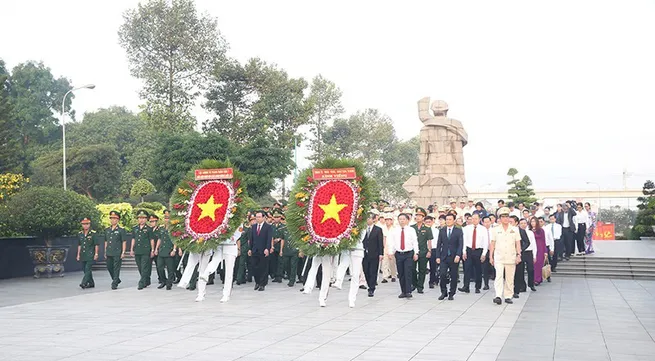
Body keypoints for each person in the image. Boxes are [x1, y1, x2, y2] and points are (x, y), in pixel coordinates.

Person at [198, 228, 241, 302]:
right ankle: (206, 273)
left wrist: (229, 238)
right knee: (214, 261)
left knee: (229, 272)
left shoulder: (238, 218)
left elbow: (238, 233)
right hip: (219, 244)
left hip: (230, 245)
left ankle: (226, 294)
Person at [489, 207, 522, 305]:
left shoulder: (515, 229)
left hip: (511, 256)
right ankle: (498, 295)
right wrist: (491, 256)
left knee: (509, 277)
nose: (505, 219)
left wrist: (518, 255)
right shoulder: (495, 230)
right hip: (499, 256)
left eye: (507, 217)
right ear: (499, 218)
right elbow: (492, 243)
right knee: (498, 276)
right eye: (503, 217)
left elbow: (518, 243)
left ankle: (508, 296)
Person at [388, 213, 419, 298]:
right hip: (399, 254)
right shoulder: (394, 230)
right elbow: (392, 242)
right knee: (401, 273)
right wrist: (390, 252)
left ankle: (408, 291)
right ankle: (403, 291)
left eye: (403, 219)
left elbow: (415, 242)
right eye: (400, 219)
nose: (402, 221)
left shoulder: (411, 230)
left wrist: (416, 253)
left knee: (408, 272)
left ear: (407, 220)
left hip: (408, 253)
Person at [435, 213, 463, 300]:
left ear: (454, 220)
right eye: (447, 219)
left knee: (453, 276)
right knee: (442, 274)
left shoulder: (458, 231)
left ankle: (452, 293)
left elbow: (460, 244)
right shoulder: (442, 230)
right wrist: (437, 256)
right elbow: (439, 244)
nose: (448, 221)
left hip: (454, 257)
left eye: (450, 219)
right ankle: (444, 292)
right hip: (444, 256)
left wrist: (458, 255)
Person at [459, 213, 489, 293]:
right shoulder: (466, 228)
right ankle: (466, 286)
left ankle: (477, 287)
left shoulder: (483, 229)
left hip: (478, 250)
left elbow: (486, 242)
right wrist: (464, 251)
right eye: (473, 218)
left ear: (479, 219)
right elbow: (464, 240)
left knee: (478, 269)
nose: (474, 220)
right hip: (469, 250)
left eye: (476, 218)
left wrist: (484, 254)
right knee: (467, 268)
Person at [103, 210, 128, 290]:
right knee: (109, 267)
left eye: (114, 218)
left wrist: (123, 252)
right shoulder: (107, 230)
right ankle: (117, 279)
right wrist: (105, 251)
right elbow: (106, 241)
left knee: (116, 268)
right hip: (109, 251)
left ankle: (114, 283)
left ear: (118, 220)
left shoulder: (121, 230)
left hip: (117, 251)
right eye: (111, 218)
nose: (112, 220)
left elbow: (124, 241)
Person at [248, 210, 273, 291]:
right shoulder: (254, 226)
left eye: (259, 217)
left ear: (263, 217)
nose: (257, 219)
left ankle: (262, 284)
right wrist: (250, 249)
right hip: (255, 250)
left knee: (263, 268)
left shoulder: (268, 227)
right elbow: (251, 239)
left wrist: (267, 248)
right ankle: (257, 282)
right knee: (255, 267)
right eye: (256, 217)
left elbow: (269, 239)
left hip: (263, 250)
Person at [411, 207, 434, 294]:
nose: (418, 217)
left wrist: (429, 251)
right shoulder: (412, 227)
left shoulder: (427, 228)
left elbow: (429, 241)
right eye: (417, 215)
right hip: (414, 252)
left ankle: (420, 286)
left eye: (420, 216)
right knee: (412, 269)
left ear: (423, 217)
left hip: (424, 251)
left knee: (422, 269)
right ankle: (414, 283)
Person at [131, 210, 154, 290]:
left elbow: (151, 240)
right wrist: (131, 249)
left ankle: (141, 282)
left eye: (143, 218)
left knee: (144, 266)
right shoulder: (135, 228)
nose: (142, 220)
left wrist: (152, 250)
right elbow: (133, 239)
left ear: (146, 219)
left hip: (145, 250)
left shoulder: (149, 229)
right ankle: (146, 280)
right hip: (137, 250)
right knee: (140, 267)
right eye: (140, 218)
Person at [362, 213, 384, 297]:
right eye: (367, 218)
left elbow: (380, 242)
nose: (368, 220)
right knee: (366, 271)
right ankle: (369, 283)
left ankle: (371, 288)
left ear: (374, 219)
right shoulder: (363, 229)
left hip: (374, 254)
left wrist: (381, 253)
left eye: (370, 218)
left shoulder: (378, 229)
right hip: (364, 253)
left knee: (373, 271)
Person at [513, 217, 536, 297]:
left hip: (529, 252)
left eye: (525, 223)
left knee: (531, 269)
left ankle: (531, 284)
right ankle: (522, 286)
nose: (523, 225)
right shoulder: (517, 232)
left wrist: (535, 255)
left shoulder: (530, 232)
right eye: (521, 223)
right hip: (521, 252)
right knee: (520, 270)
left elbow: (533, 244)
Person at [154, 213, 176, 290]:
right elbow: (159, 239)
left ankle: (169, 283)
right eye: (165, 218)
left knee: (170, 269)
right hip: (162, 250)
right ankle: (163, 281)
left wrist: (174, 249)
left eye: (168, 218)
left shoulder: (174, 229)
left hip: (169, 250)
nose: (166, 220)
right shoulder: (161, 228)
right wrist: (156, 248)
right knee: (159, 267)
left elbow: (175, 240)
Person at [77, 217, 98, 289]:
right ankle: (91, 283)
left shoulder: (93, 233)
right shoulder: (80, 234)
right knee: (84, 269)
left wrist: (96, 253)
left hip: (90, 254)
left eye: (87, 224)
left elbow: (96, 244)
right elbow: (79, 245)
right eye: (83, 224)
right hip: (83, 254)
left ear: (89, 224)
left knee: (87, 268)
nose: (85, 225)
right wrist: (78, 254)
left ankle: (84, 283)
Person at [236, 214, 255, 285]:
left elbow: (249, 240)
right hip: (237, 247)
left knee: (245, 263)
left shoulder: (247, 228)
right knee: (240, 263)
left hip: (245, 247)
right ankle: (241, 278)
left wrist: (249, 249)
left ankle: (241, 278)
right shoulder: (237, 228)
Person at [530, 217, 548, 286]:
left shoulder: (541, 230)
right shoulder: (529, 230)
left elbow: (544, 241)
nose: (533, 223)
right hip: (532, 248)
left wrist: (545, 251)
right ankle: (533, 279)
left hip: (540, 248)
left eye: (534, 221)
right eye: (531, 222)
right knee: (533, 265)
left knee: (538, 264)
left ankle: (538, 279)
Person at [380, 213, 397, 284]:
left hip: (393, 247)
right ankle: (385, 276)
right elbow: (383, 238)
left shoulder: (395, 229)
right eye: (386, 220)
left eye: (389, 220)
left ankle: (393, 275)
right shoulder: (383, 228)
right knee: (385, 262)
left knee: (392, 262)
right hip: (385, 246)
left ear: (392, 221)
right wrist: (384, 247)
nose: (387, 222)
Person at [426, 214, 440, 289]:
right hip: (424, 249)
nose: (428, 223)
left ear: (432, 222)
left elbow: (438, 241)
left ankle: (432, 281)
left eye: (429, 222)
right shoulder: (423, 230)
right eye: (426, 222)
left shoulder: (436, 231)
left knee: (433, 267)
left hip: (434, 249)